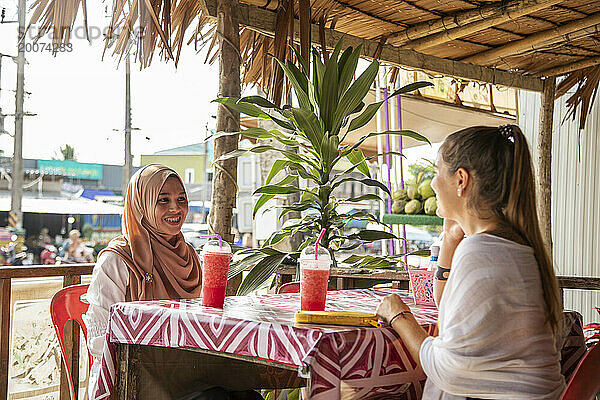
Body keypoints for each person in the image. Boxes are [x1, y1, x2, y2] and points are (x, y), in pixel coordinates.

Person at [376, 125, 565, 399]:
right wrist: (451, 239)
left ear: (461, 180)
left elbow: (447, 369)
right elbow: (448, 311)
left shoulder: (481, 251)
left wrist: (399, 316)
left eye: (436, 172)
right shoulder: (511, 243)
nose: (432, 183)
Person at [83, 165, 203, 397]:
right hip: (133, 371)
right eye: (162, 200)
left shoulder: (191, 256)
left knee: (242, 393)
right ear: (142, 204)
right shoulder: (118, 260)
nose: (175, 208)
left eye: (181, 199)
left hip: (190, 366)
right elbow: (100, 338)